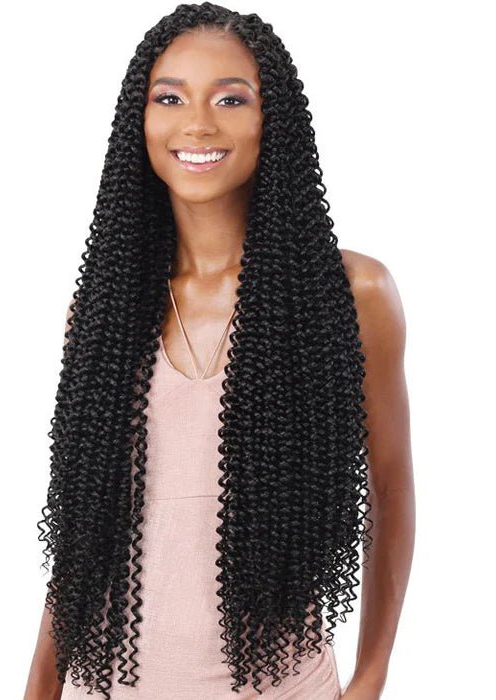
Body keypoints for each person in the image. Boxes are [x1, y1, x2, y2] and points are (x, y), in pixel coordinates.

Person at [24, 3, 415, 699]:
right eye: (169, 98)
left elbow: (390, 488)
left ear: (273, 119)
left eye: (230, 99)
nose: (198, 124)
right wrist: (37, 689)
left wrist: (372, 676)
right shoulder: (104, 314)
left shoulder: (350, 294)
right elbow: (84, 534)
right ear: (139, 120)